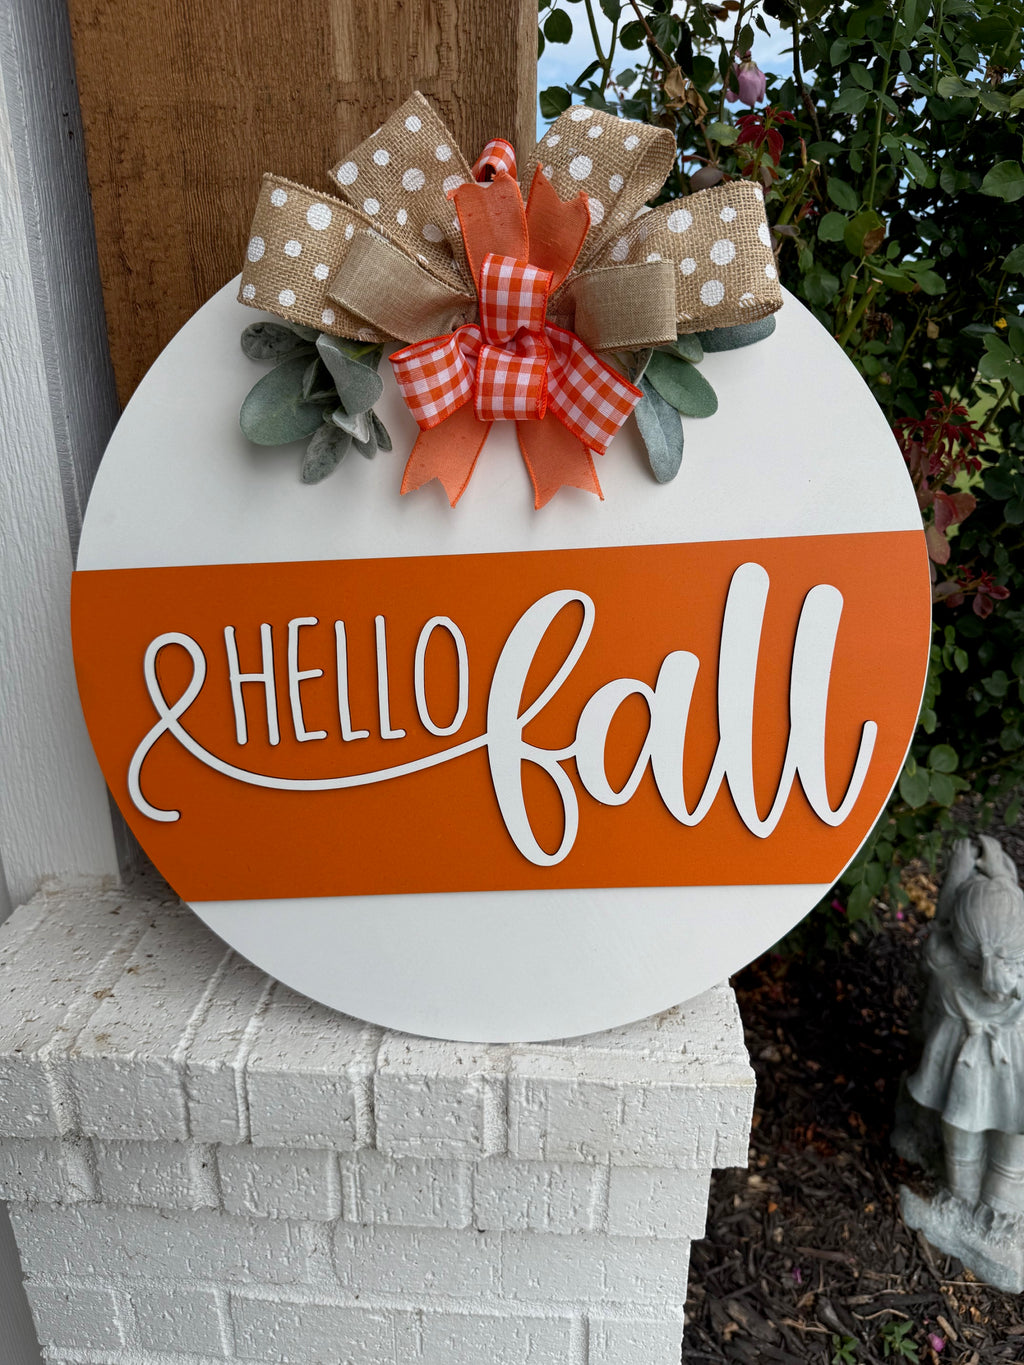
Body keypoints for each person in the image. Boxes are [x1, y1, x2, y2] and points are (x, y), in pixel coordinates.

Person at [908, 836, 1024, 1222]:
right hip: (1014, 1074)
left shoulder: (947, 964)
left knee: (962, 1132)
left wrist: (958, 873)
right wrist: (1002, 874)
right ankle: (1002, 1207)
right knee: (1013, 1137)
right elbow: (1008, 923)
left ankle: (961, 1198)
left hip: (963, 1069)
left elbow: (944, 924)